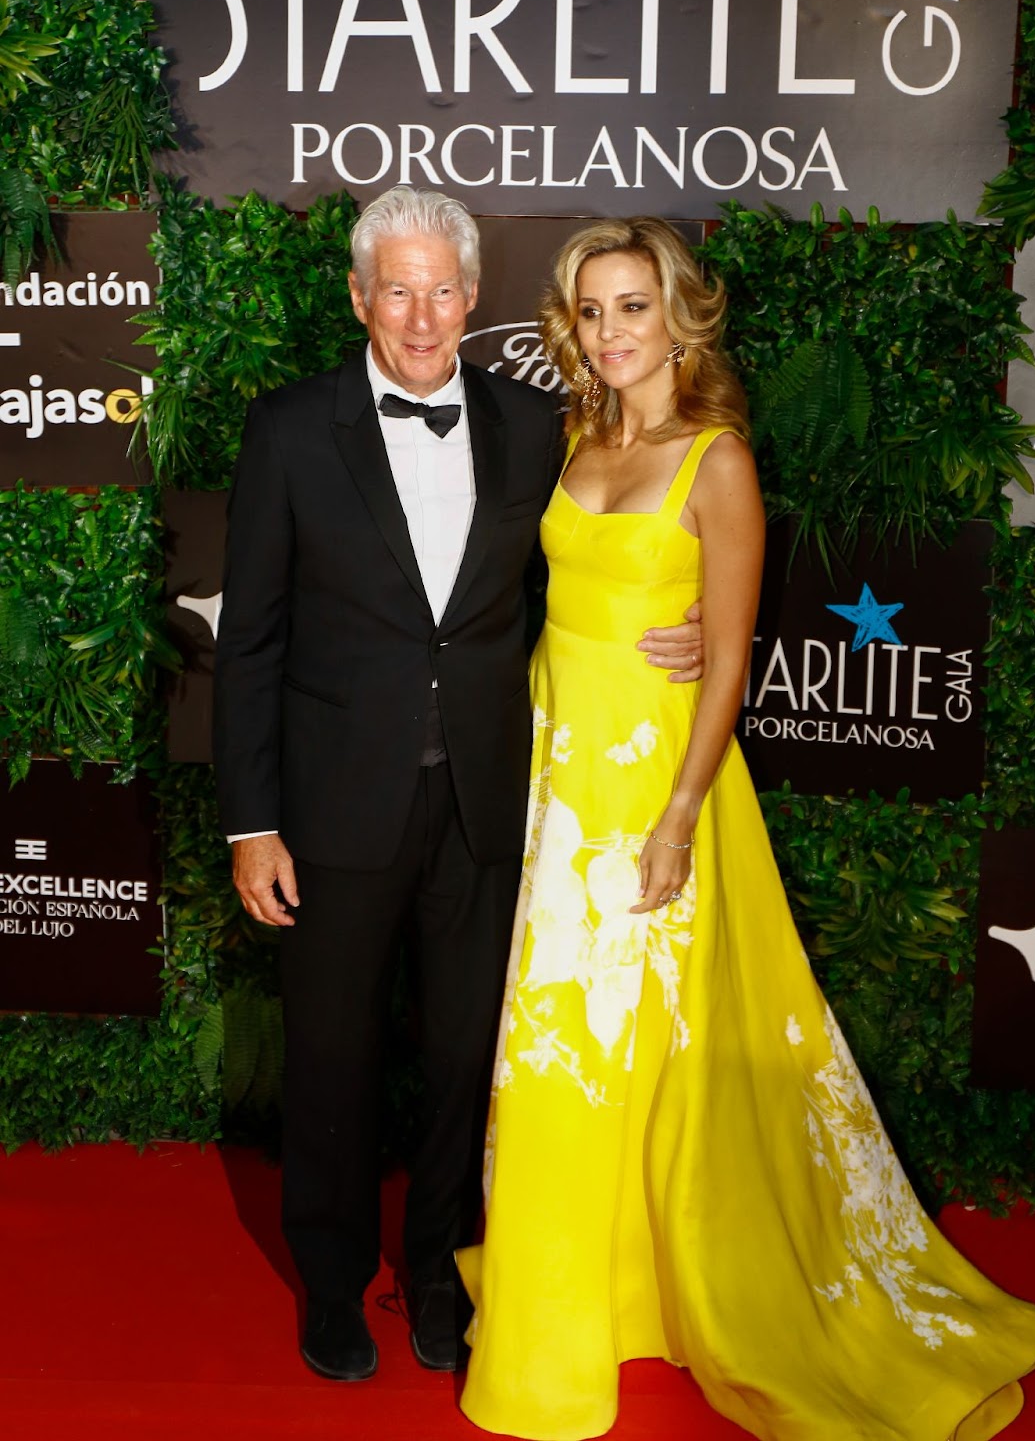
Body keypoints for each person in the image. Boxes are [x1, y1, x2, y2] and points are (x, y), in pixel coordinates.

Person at [457, 216, 1035, 1440]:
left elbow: (727, 663)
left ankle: (697, 1292)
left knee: (647, 1045)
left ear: (681, 314)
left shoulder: (715, 459)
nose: (612, 329)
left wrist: (679, 813)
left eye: (634, 305)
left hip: (654, 789)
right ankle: (580, 1297)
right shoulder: (574, 435)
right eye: (592, 308)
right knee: (561, 1046)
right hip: (555, 769)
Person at [211, 188, 704, 1384]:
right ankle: (330, 1283)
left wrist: (683, 619)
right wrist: (251, 822)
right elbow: (252, 644)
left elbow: (605, 552)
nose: (421, 313)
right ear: (358, 296)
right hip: (333, 807)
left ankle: (437, 1271)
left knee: (460, 1057)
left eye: (443, 288)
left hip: (491, 800)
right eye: (397, 286)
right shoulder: (288, 429)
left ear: (474, 297)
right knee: (328, 1057)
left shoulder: (537, 427)